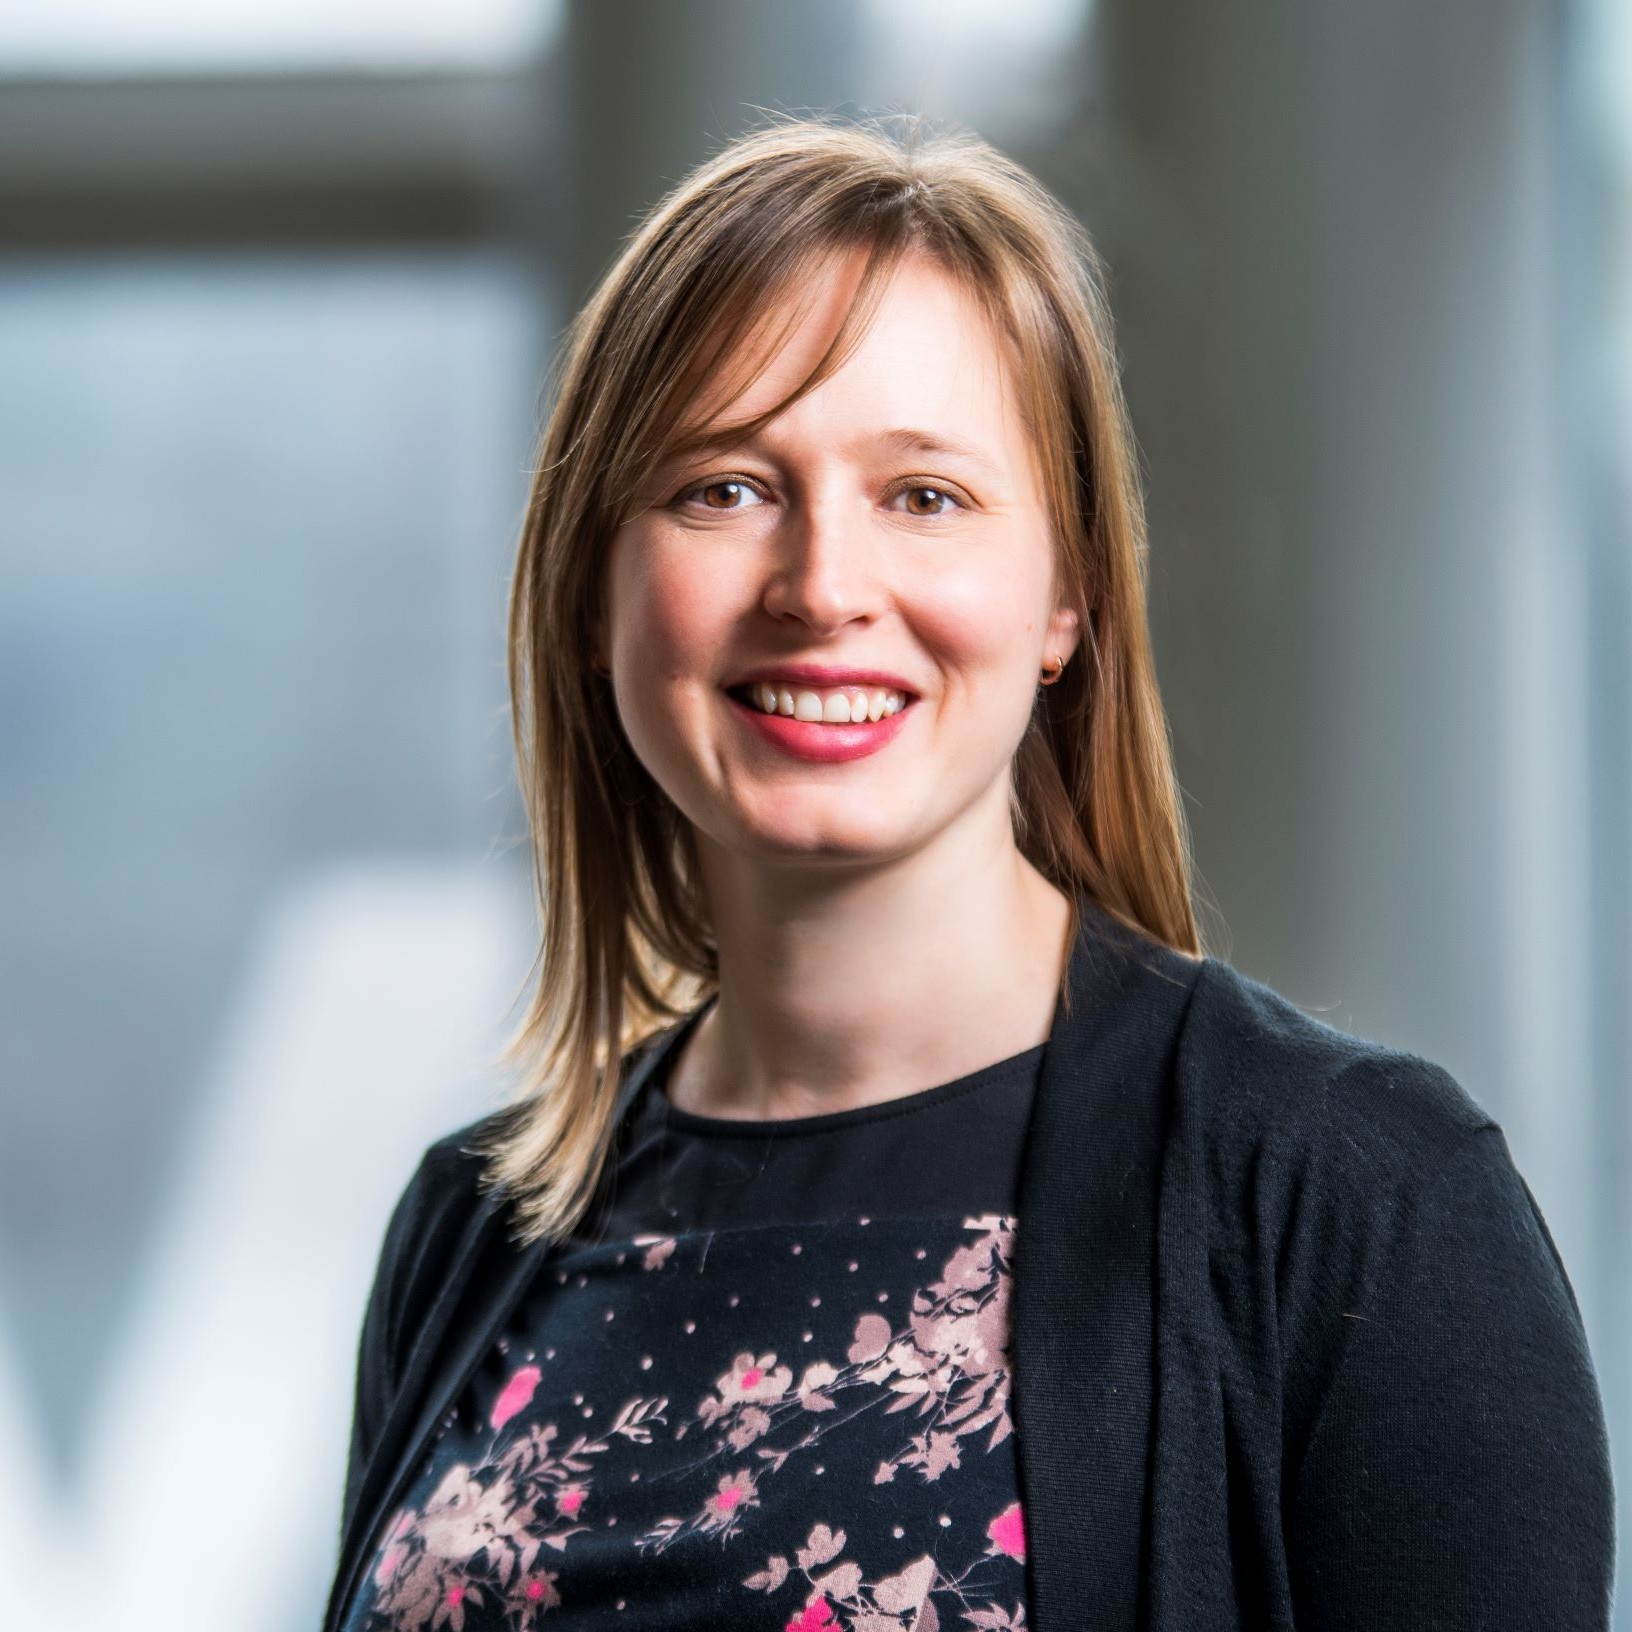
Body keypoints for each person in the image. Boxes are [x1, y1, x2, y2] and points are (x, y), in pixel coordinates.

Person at [319, 114, 1616, 1632]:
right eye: (725, 488)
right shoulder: (472, 1232)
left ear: (1063, 595)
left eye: (923, 496)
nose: (821, 587)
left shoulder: (1354, 1200)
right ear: (593, 586)